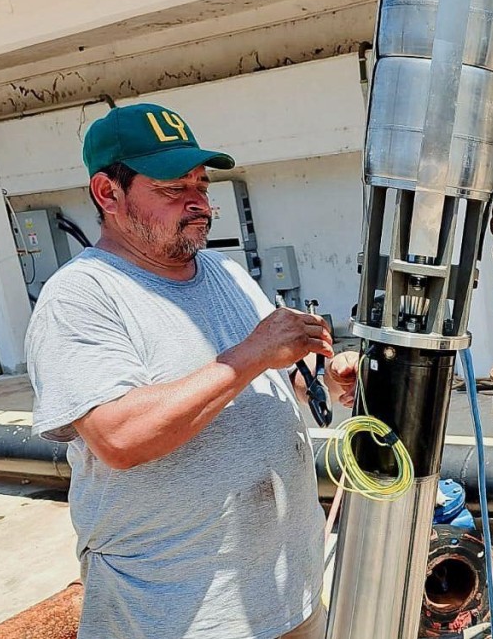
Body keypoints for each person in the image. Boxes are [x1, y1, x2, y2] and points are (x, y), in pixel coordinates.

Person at [26, 102, 358, 638]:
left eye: (201, 186)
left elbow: (262, 383)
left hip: (285, 589)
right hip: (177, 612)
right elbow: (120, 436)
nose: (199, 204)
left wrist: (320, 381)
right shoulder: (82, 295)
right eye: (172, 189)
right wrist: (253, 352)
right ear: (107, 193)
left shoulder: (226, 273)